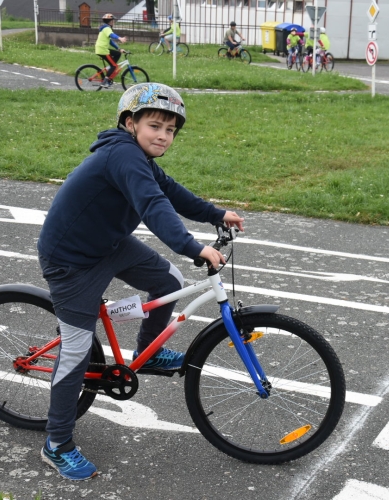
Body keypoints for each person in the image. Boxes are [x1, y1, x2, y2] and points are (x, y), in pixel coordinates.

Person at [37, 83, 245, 480]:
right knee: (78, 348)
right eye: (155, 125)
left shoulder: (140, 157)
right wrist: (193, 246)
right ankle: (57, 443)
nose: (163, 136)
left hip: (108, 244)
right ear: (129, 123)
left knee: (169, 279)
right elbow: (153, 206)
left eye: (171, 130)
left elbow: (171, 193)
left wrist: (217, 213)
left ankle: (148, 351)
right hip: (71, 261)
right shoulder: (122, 155)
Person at [94, 13, 127, 88]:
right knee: (114, 66)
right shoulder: (106, 28)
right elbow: (112, 35)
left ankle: (110, 70)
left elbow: (110, 41)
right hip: (103, 50)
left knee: (118, 54)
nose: (114, 22)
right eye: (113, 21)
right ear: (110, 21)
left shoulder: (105, 28)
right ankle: (105, 81)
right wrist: (120, 38)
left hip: (102, 49)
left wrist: (119, 49)